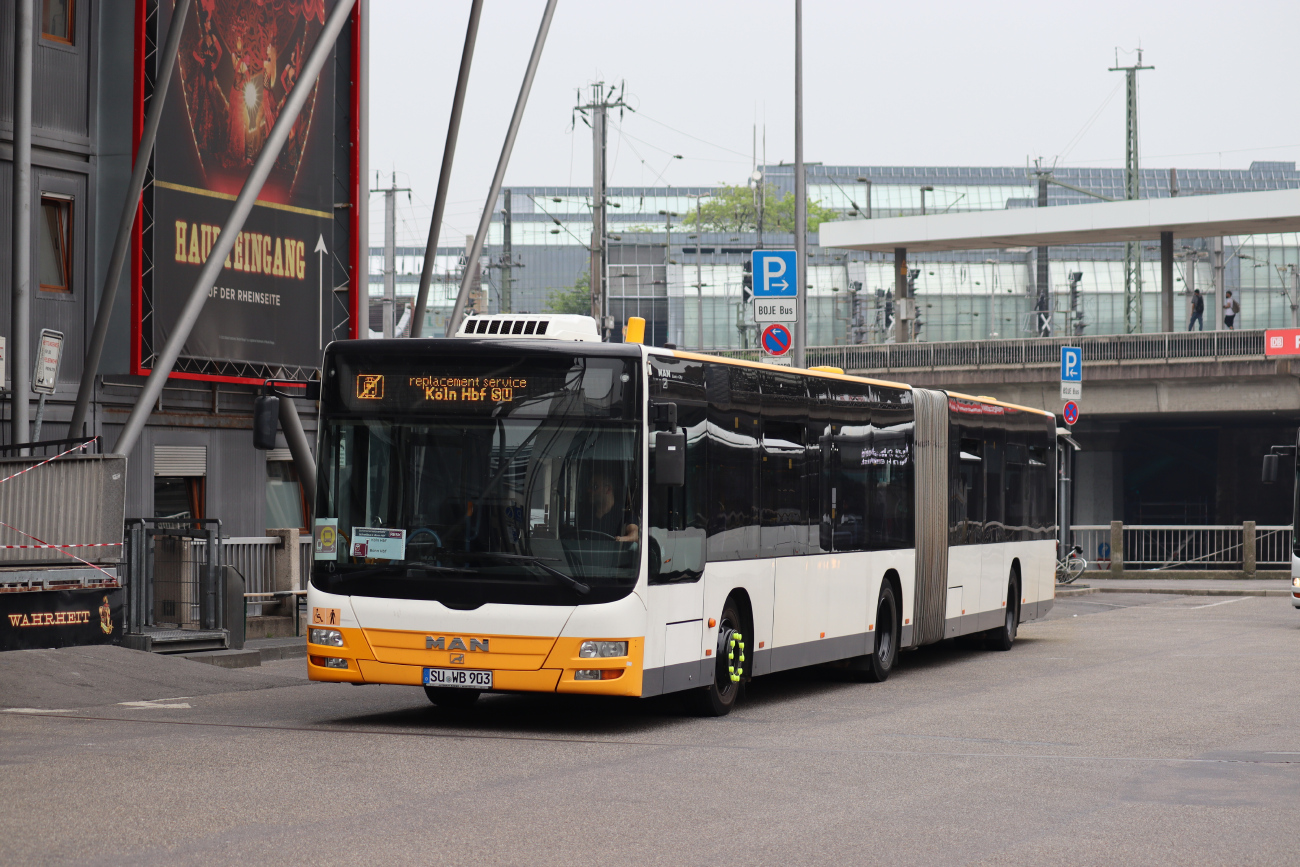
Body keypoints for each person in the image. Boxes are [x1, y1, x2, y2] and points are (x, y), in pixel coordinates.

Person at [582, 470, 639, 543]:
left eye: (594, 487)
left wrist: (620, 540)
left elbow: (634, 536)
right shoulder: (587, 516)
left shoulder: (625, 515)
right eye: (589, 487)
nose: (589, 490)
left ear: (608, 489)